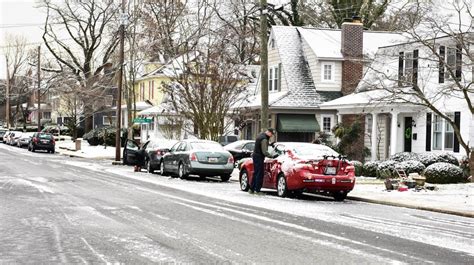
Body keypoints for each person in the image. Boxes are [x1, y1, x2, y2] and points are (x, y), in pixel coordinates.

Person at [250, 128, 277, 195]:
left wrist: (270, 144)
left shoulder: (261, 136)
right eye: (271, 134)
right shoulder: (264, 139)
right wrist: (272, 156)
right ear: (268, 132)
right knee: (260, 173)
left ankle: (252, 189)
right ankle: (257, 190)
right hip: (259, 157)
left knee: (256, 173)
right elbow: (264, 151)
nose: (271, 136)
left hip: (256, 156)